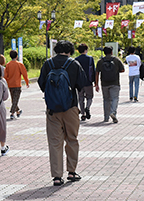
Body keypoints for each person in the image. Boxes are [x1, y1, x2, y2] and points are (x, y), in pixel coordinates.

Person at [38, 40, 87, 186]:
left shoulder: (48, 64)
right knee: (72, 139)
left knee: (55, 142)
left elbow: (42, 85)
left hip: (52, 109)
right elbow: (81, 84)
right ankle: (71, 172)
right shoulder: (74, 64)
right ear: (70, 51)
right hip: (70, 108)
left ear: (56, 50)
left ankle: (57, 176)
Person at [95, 45, 125, 123]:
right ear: (111, 52)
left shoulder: (100, 61)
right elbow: (123, 70)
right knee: (115, 98)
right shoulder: (116, 60)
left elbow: (97, 73)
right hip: (115, 82)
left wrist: (96, 84)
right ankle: (113, 112)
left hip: (104, 83)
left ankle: (106, 117)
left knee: (106, 100)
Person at [4, 50, 29, 119]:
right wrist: (27, 82)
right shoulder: (19, 64)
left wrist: (5, 82)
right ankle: (12, 113)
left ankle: (18, 111)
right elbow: (24, 73)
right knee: (15, 100)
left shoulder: (8, 65)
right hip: (17, 84)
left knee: (14, 100)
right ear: (17, 56)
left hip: (10, 85)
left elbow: (5, 75)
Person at [75, 43, 95, 121]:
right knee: (89, 97)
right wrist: (94, 81)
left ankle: (83, 113)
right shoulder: (90, 58)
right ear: (86, 50)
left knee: (81, 98)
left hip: (79, 82)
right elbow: (93, 70)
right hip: (88, 81)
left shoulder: (76, 59)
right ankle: (88, 107)